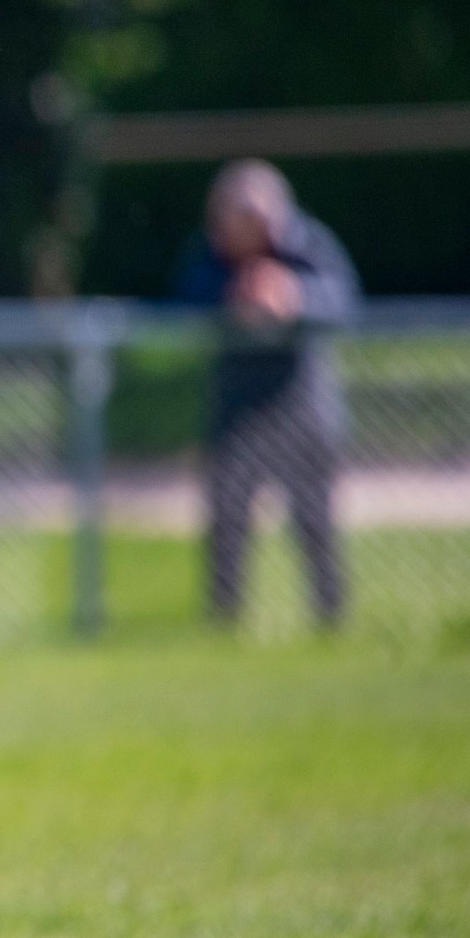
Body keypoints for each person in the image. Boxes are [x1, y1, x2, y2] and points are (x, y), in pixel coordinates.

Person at [172, 159, 361, 628]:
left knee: (315, 519)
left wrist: (293, 296)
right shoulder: (211, 257)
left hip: (302, 401)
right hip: (237, 408)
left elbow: (345, 301)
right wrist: (233, 296)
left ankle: (331, 617)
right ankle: (224, 621)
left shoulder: (309, 246)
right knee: (229, 518)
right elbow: (183, 302)